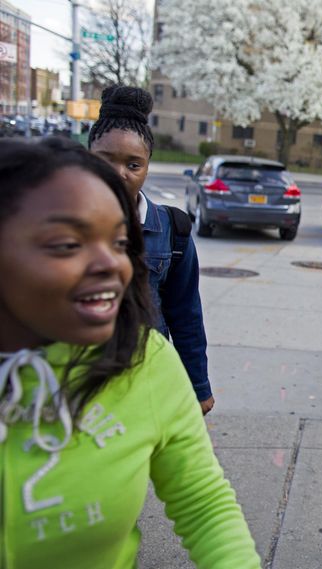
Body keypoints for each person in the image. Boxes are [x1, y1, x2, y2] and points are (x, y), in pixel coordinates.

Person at [0, 137, 259, 568]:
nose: (111, 264)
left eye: (120, 243)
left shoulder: (145, 361)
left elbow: (204, 504)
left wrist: (199, 384)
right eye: (67, 244)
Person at [88, 85, 214, 415]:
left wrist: (198, 387)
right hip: (79, 383)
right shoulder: (59, 225)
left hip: (147, 381)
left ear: (147, 166)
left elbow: (185, 314)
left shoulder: (172, 230)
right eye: (106, 160)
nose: (120, 173)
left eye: (133, 164)